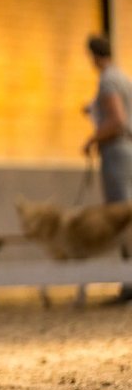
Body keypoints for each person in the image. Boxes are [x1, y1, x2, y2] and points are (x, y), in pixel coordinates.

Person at [83, 33, 132, 303]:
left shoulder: (108, 80)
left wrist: (93, 139)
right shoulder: (123, 77)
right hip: (129, 150)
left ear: (94, 56)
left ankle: (129, 282)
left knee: (120, 217)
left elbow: (117, 119)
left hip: (117, 154)